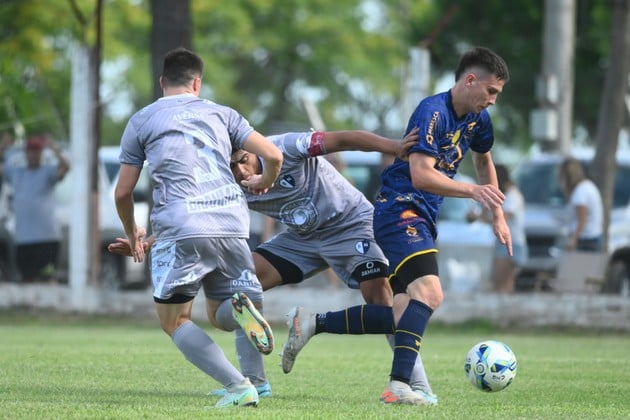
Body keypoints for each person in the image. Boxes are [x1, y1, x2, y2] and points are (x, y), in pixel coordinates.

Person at [109, 128, 439, 404]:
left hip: (351, 226)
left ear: (253, 149)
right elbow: (195, 217)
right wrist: (146, 243)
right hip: (301, 239)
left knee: (382, 302)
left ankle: (417, 385)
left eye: (243, 160)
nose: (241, 171)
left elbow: (343, 139)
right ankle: (255, 382)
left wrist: (394, 147)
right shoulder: (228, 184)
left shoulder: (286, 147)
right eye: (232, 166)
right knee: (240, 285)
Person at [114, 47, 283, 409]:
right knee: (222, 313)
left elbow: (123, 192)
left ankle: (239, 386)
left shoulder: (143, 120)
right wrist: (263, 180)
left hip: (182, 225)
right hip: (232, 222)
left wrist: (133, 233)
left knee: (175, 320)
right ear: (197, 83)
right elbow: (274, 155)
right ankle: (254, 368)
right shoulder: (223, 114)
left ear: (162, 81)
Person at [369, 46, 511, 404]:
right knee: (431, 293)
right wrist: (472, 192)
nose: (493, 100)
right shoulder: (432, 112)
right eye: (491, 91)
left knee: (402, 308)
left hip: (424, 216)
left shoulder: (479, 119)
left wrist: (497, 215)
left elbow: (483, 161)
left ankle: (314, 323)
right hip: (400, 209)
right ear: (470, 80)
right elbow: (420, 175)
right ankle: (399, 385)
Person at [3, 134, 70, 283]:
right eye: (31, 151)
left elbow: (66, 167)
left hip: (47, 239)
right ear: (26, 153)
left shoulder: (48, 171)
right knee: (27, 280)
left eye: (37, 151)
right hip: (23, 239)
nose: (34, 154)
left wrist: (55, 150)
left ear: (41, 153)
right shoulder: (16, 172)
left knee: (47, 278)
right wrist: (2, 147)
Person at [468, 164, 527, 293]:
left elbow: (501, 219)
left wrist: (479, 217)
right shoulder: (509, 195)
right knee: (505, 285)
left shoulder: (513, 196)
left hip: (511, 243)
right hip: (505, 243)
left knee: (500, 284)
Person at [557, 157, 603, 252]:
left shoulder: (580, 193)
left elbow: (582, 221)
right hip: (594, 237)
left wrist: (573, 240)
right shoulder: (588, 186)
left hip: (585, 241)